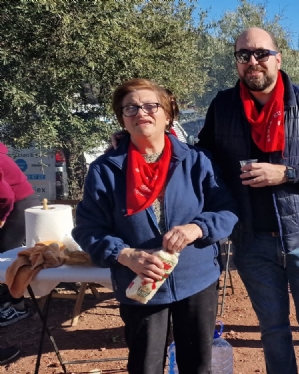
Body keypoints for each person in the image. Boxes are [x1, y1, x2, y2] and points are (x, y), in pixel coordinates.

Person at [196, 28, 299, 374]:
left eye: (261, 53)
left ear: (278, 58)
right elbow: (202, 156)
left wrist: (286, 173)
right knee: (273, 329)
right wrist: (149, 142)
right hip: (251, 239)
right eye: (243, 55)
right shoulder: (223, 106)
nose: (252, 61)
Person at [73, 78, 239, 374]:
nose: (141, 113)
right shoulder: (106, 170)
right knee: (145, 366)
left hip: (196, 279)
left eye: (151, 106)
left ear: (168, 114)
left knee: (198, 365)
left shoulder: (197, 160)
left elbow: (226, 209)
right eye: (130, 108)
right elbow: (88, 229)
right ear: (122, 119)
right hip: (140, 285)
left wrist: (197, 228)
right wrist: (125, 255)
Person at [0, 141, 37, 326]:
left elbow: (5, 195)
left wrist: (2, 217)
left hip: (19, 205)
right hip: (15, 203)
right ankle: (7, 300)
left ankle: (18, 307)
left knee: (7, 256)